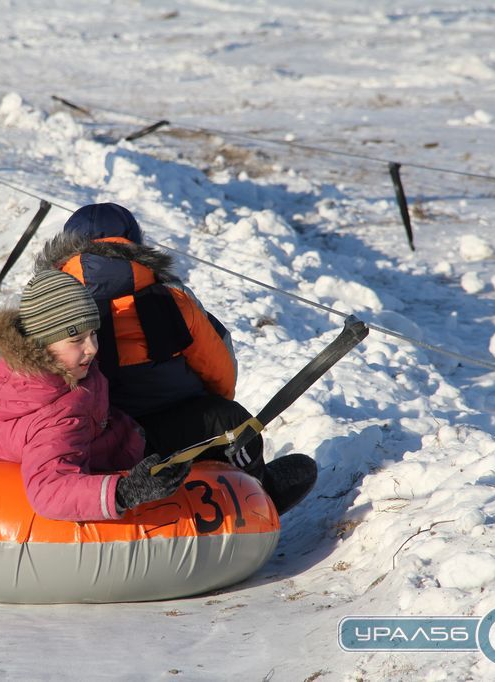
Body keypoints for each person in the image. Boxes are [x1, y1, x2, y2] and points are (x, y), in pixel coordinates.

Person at [35, 202, 318, 515]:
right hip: (164, 433)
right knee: (233, 422)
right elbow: (219, 371)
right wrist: (208, 405)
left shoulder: (50, 310)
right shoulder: (173, 300)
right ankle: (258, 493)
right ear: (135, 244)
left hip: (90, 437)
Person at [0, 269, 191, 522]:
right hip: (117, 451)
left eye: (93, 333)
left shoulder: (12, 367)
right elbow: (50, 492)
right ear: (41, 344)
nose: (92, 347)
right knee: (211, 421)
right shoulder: (55, 415)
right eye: (76, 339)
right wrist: (125, 492)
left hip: (108, 435)